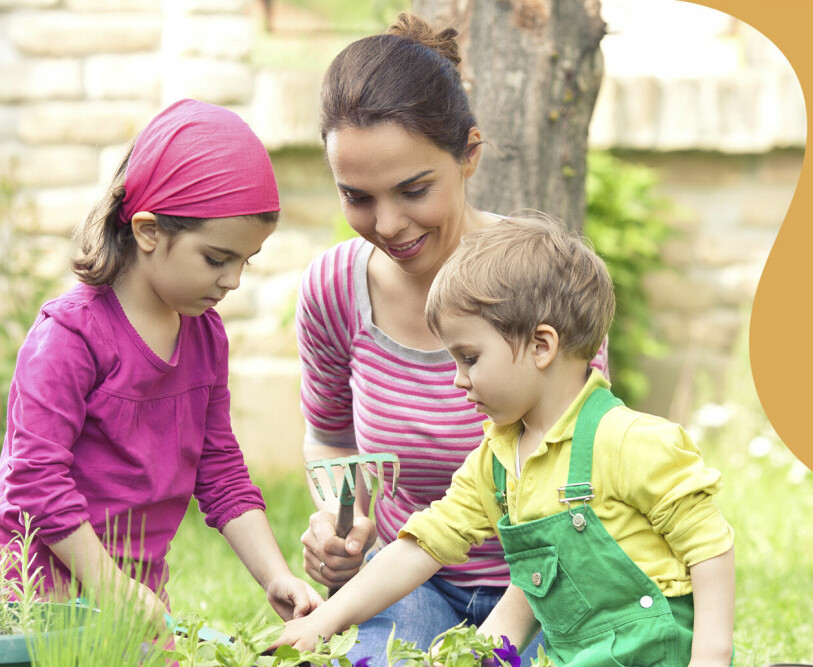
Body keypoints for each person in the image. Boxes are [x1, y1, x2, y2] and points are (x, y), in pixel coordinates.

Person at [280, 215, 736, 665]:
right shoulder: (497, 459)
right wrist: (326, 621)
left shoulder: (631, 441)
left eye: (469, 358)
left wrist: (710, 656)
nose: (457, 381)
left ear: (542, 345)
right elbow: (426, 548)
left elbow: (709, 545)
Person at [295, 12, 608, 664]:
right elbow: (332, 435)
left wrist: (496, 643)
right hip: (412, 575)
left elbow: (586, 481)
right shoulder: (334, 289)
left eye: (413, 190)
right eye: (357, 196)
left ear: (469, 153)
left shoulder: (542, 279)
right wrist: (342, 522)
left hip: (548, 581)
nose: (387, 223)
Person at [0, 99, 322, 630]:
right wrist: (112, 587)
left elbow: (221, 469)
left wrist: (275, 576)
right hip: (32, 600)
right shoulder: (69, 338)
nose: (232, 280)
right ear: (148, 231)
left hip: (132, 600)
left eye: (244, 261)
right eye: (216, 259)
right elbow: (35, 482)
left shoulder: (204, 335)